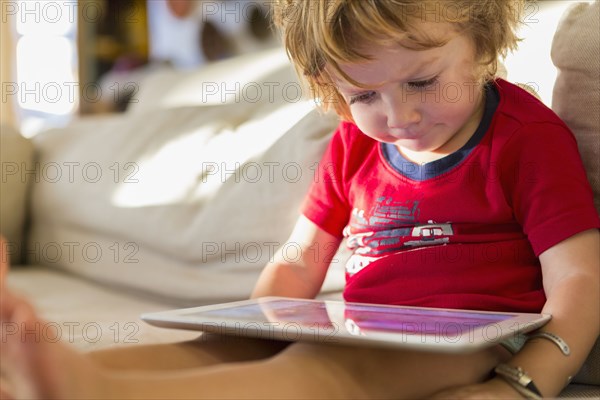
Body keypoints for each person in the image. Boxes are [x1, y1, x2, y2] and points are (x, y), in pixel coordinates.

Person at [1, 0, 599, 398]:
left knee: (323, 373)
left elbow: (579, 278)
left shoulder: (526, 138)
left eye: (422, 81)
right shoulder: (353, 144)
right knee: (222, 348)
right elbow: (299, 258)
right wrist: (258, 325)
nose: (399, 116)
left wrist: (525, 383)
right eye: (365, 95)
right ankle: (52, 381)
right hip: (366, 325)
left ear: (482, 38)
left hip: (475, 335)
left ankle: (96, 391)